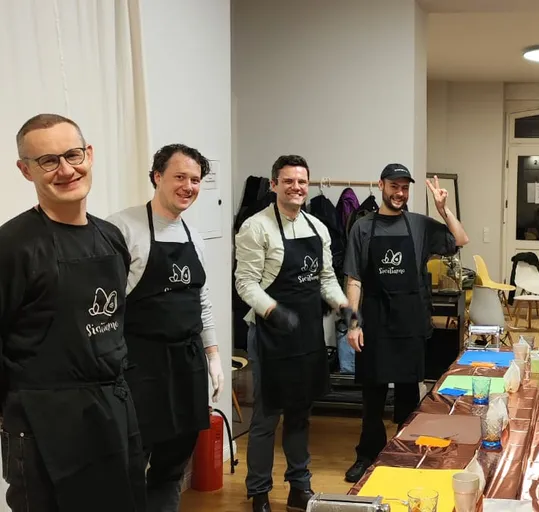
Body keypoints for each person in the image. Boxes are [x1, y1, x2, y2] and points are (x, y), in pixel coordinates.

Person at [0, 114, 145, 510]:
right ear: (25, 170)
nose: (65, 170)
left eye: (73, 154)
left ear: (89, 155)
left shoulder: (110, 237)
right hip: (44, 424)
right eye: (48, 161)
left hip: (112, 413)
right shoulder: (13, 247)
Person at [106, 144, 224, 512]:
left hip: (187, 368)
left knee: (172, 467)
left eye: (195, 179)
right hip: (140, 368)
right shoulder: (122, 229)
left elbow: (201, 302)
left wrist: (214, 354)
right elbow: (106, 308)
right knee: (128, 465)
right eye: (179, 177)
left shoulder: (196, 237)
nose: (188, 186)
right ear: (157, 176)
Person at [235, 155, 348, 512]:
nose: (296, 187)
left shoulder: (318, 227)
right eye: (288, 181)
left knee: (300, 414)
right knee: (267, 418)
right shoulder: (256, 227)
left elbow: (326, 279)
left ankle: (300, 487)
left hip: (306, 336)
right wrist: (273, 310)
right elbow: (245, 283)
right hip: (270, 335)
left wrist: (346, 307)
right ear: (274, 185)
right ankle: (259, 493)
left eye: (301, 181)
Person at [343, 164, 469, 483]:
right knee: (371, 398)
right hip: (373, 323)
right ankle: (367, 455)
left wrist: (443, 209)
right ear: (381, 185)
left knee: (407, 397)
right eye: (394, 186)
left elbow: (460, 239)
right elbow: (354, 278)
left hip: (409, 323)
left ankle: (403, 453)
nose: (399, 193)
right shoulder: (362, 227)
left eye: (404, 188)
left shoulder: (419, 225)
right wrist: (352, 323)